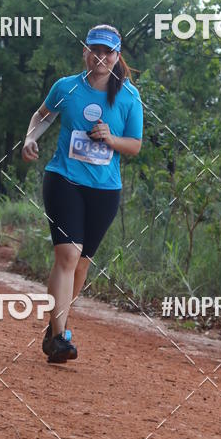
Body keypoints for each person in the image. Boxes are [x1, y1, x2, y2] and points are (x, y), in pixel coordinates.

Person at [22, 24, 143, 363]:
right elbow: (42, 116)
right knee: (68, 255)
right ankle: (60, 337)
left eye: (107, 52)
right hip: (64, 180)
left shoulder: (129, 98)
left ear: (117, 57)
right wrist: (31, 137)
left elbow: (134, 145)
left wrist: (110, 139)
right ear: (85, 52)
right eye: (95, 50)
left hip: (105, 190)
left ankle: (54, 328)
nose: (100, 57)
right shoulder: (67, 87)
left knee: (82, 264)